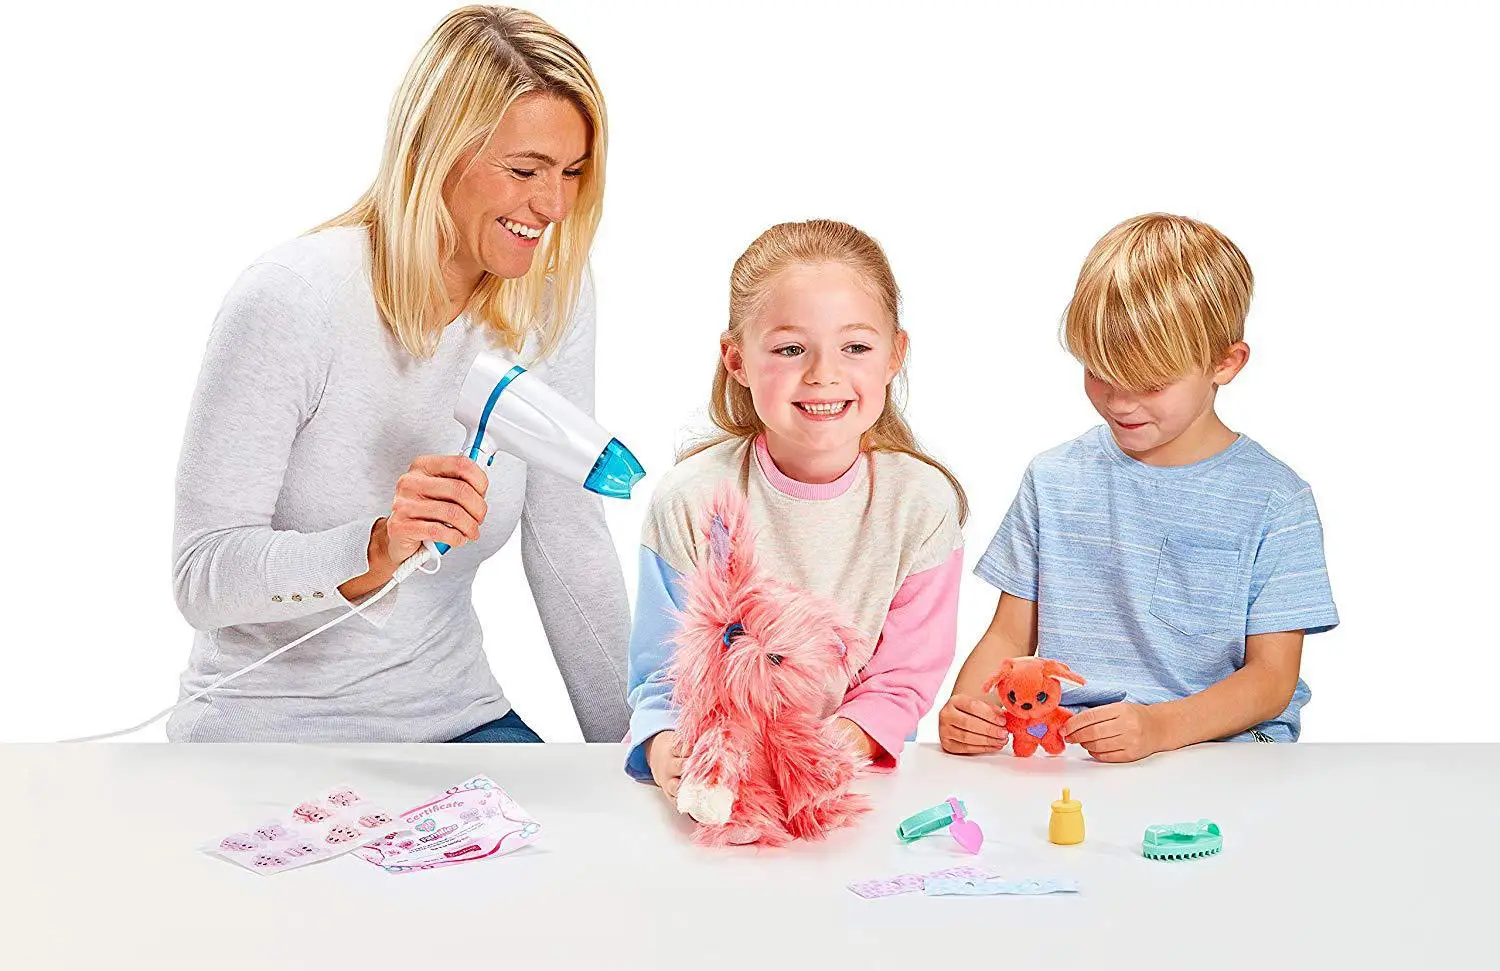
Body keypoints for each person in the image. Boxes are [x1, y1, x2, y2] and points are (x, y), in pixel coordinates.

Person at [168, 5, 630, 743]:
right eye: (524, 170)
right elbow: (202, 576)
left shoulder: (551, 298)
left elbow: (568, 539)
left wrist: (641, 751)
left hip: (452, 715)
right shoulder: (294, 298)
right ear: (436, 151)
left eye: (572, 173)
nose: (553, 205)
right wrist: (377, 546)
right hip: (268, 728)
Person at [939, 213, 1339, 762]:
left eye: (1150, 383)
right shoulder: (1053, 480)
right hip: (1073, 750)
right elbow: (1010, 638)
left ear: (1226, 363)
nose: (1120, 402)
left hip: (1224, 751)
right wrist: (969, 708)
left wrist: (1158, 728)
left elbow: (1271, 678)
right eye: (1099, 372)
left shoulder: (1275, 500)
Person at [625, 219, 967, 801]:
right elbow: (663, 673)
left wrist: (816, 756)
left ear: (895, 356)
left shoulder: (921, 503)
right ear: (736, 360)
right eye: (790, 349)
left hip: (852, 787)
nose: (823, 374)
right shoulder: (690, 498)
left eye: (855, 347)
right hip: (722, 784)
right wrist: (667, 749)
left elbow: (901, 680)